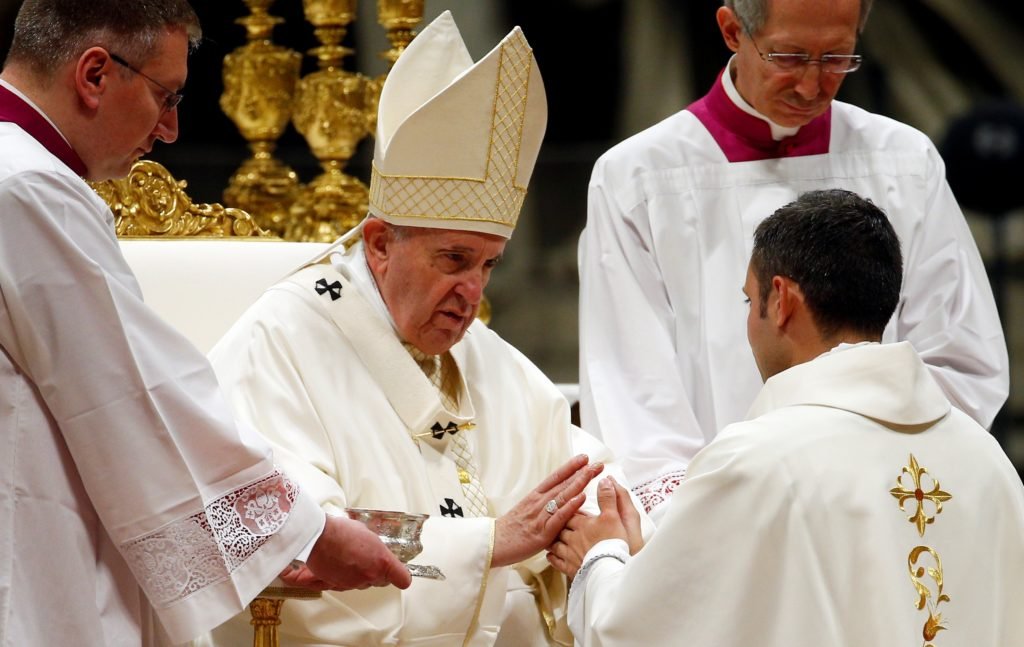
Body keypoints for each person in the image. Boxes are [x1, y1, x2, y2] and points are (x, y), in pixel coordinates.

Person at [199, 11, 651, 647]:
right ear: (380, 244)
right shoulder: (278, 342)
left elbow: (578, 464)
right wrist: (488, 543)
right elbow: (288, 537)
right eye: (454, 260)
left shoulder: (473, 347)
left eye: (489, 265)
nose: (473, 292)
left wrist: (606, 524)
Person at [0, 1, 412, 645]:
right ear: (95, 74)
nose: (169, 129)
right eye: (165, 96)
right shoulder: (27, 189)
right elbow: (133, 398)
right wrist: (305, 532)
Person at [577, 0, 1010, 522]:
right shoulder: (638, 178)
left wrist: (870, 483)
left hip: (880, 506)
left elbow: (960, 356)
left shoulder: (903, 162)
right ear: (732, 30)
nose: (811, 86)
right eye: (789, 57)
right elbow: (631, 385)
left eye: (837, 58)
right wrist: (700, 521)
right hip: (724, 516)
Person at [551, 189, 1024, 646]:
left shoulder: (757, 463)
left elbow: (640, 630)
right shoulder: (989, 462)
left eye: (748, 300)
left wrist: (601, 557)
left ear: (781, 301)